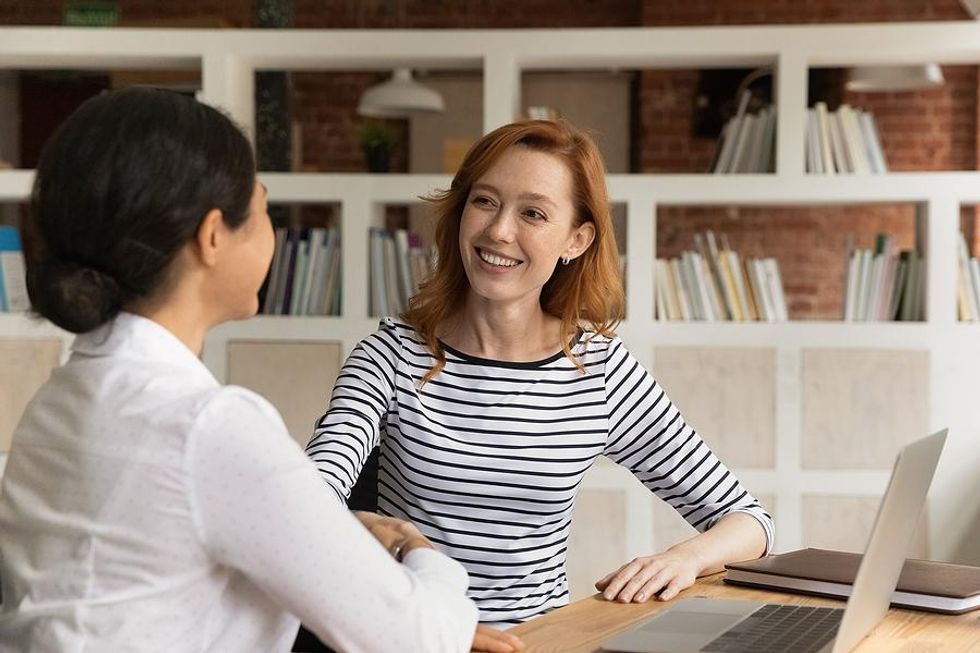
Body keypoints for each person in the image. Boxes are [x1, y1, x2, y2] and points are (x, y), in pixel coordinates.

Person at [0, 87, 481, 653]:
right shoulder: (209, 426)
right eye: (261, 211)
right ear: (211, 237)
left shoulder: (59, 399)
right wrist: (413, 548)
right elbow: (417, 637)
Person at [306, 118, 775, 629]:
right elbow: (311, 494)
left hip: (539, 643)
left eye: (532, 213)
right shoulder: (390, 356)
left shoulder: (601, 370)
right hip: (416, 638)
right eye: (484, 201)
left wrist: (681, 560)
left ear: (576, 239)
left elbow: (751, 524)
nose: (498, 231)